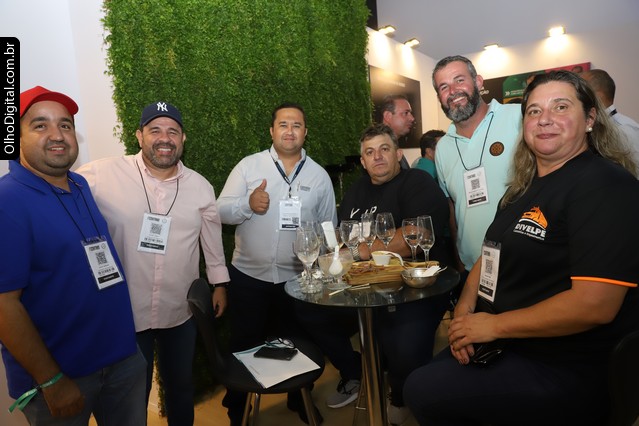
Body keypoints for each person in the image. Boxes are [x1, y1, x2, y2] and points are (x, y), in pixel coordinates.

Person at [404, 70, 639, 426]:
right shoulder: (521, 189)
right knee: (425, 380)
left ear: (591, 118)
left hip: (564, 362)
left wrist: (493, 327)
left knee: (423, 390)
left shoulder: (605, 184)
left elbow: (595, 305)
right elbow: (489, 254)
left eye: (561, 107)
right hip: (508, 340)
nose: (544, 119)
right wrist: (465, 313)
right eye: (534, 111)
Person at [77, 101, 230, 425]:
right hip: (126, 311)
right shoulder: (102, 174)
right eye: (155, 130)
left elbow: (212, 242)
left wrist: (219, 284)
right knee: (133, 395)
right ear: (139, 136)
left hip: (179, 309)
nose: (164, 138)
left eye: (172, 131)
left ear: (183, 139)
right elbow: (60, 196)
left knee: (180, 387)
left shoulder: (200, 186)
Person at [0, 86, 146, 425]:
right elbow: (4, 304)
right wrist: (51, 380)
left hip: (122, 359)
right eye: (40, 125)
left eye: (65, 125)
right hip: (61, 375)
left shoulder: (79, 184)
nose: (57, 135)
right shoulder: (8, 201)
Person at [217, 102, 337, 425]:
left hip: (296, 280)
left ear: (305, 132)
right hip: (248, 277)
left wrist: (327, 272)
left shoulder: (319, 176)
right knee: (243, 345)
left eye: (296, 125)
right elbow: (219, 209)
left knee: (298, 345)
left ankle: (300, 399)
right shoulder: (249, 166)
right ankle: (238, 410)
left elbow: (329, 228)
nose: (289, 131)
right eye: (283, 124)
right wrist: (247, 204)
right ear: (271, 131)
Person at [325, 123, 451, 424]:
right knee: (311, 315)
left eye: (384, 149)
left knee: (404, 346)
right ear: (363, 161)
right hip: (366, 286)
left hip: (417, 289)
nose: (377, 157)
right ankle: (359, 373)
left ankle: (401, 393)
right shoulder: (356, 191)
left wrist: (359, 250)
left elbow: (413, 236)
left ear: (398, 154)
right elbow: (343, 236)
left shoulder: (417, 182)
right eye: (370, 152)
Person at [431, 55, 521, 282]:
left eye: (459, 80)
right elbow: (452, 207)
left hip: (522, 264)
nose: (453, 91)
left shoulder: (518, 118)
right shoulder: (443, 148)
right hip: (472, 269)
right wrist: (460, 261)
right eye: (444, 87)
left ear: (479, 82)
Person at [581, 68, 639, 175]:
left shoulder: (624, 129)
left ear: (597, 95)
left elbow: (635, 173)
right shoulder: (591, 126)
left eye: (582, 91)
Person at [380, 94, 415, 169]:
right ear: (388, 116)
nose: (412, 118)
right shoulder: (379, 150)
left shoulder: (393, 145)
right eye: (406, 113)